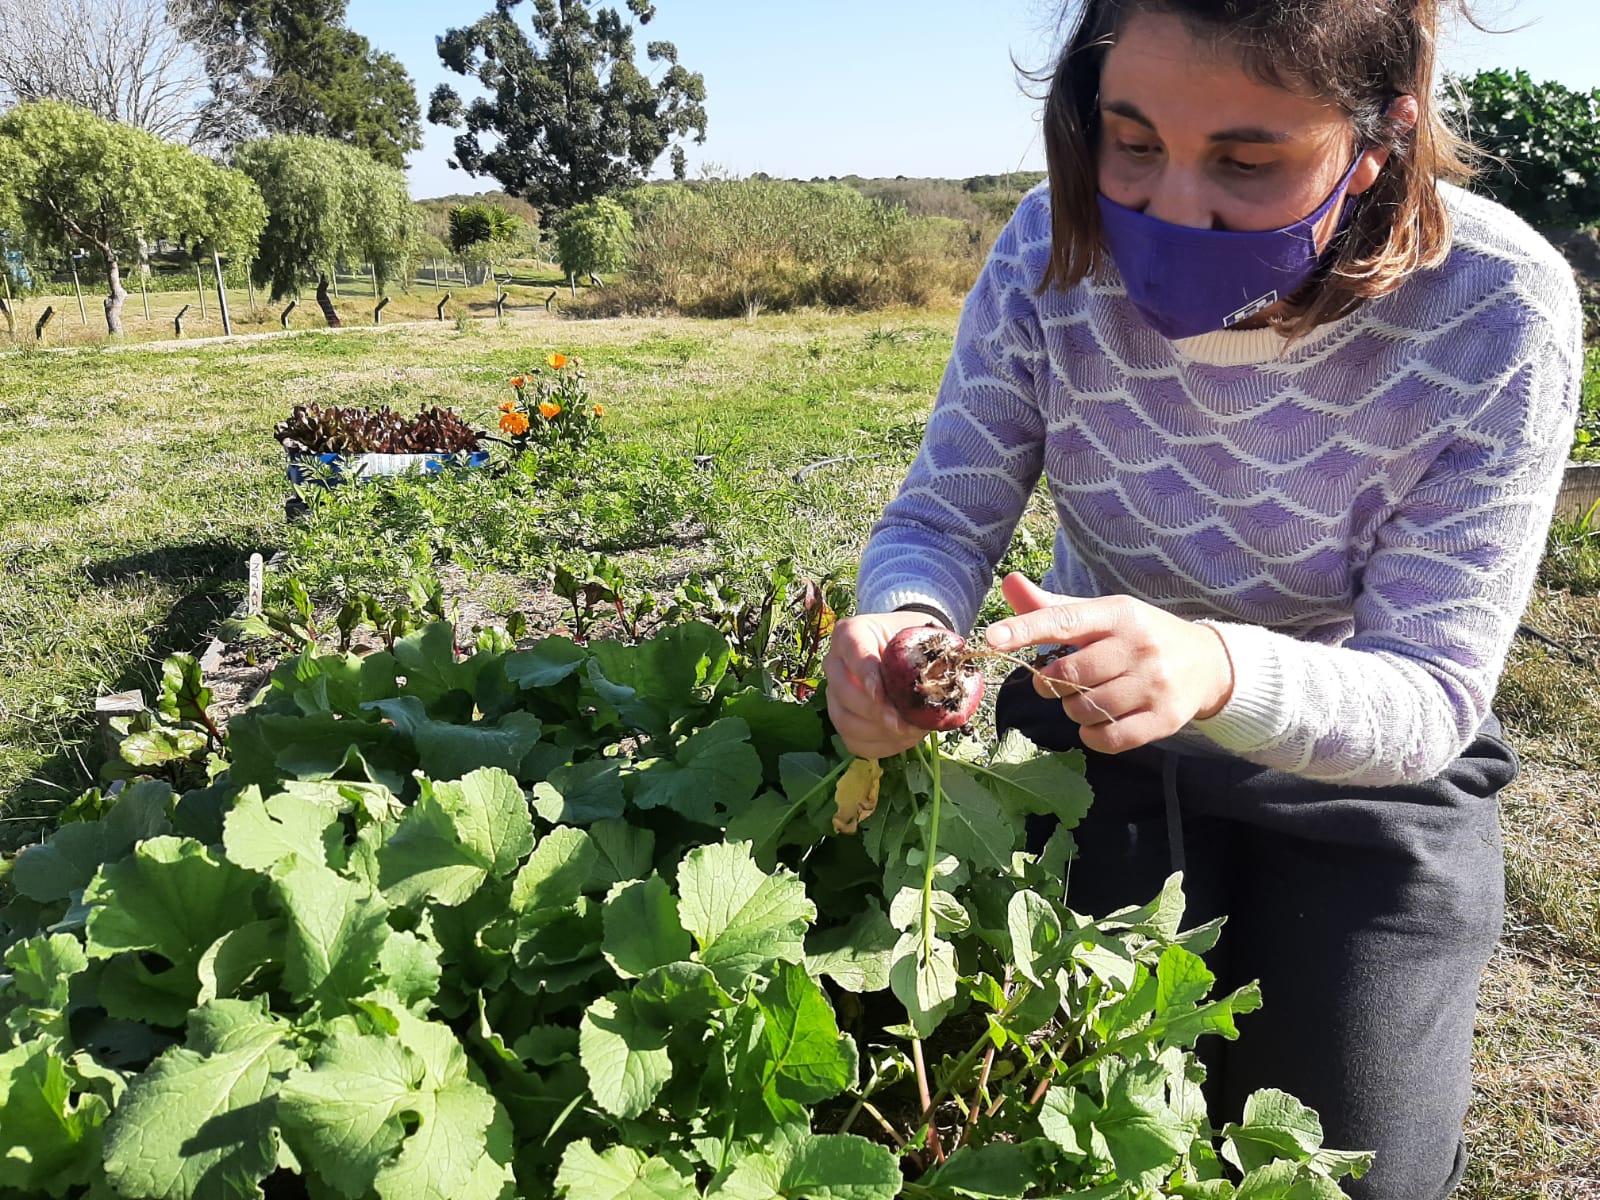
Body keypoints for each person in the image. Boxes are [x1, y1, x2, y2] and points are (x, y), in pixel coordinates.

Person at [821, 2, 1584, 1197]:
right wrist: (906, 630)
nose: (1171, 208)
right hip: (1091, 738)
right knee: (1029, 1119)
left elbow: (1431, 694)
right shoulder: (1046, 253)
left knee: (1346, 1175)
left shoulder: (1493, 310)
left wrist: (1216, 668)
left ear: (1378, 143)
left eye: (1245, 160)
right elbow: (939, 518)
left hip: (1363, 776)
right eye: (1128, 143)